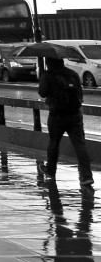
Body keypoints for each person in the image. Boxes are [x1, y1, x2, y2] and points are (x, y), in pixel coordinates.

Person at [38, 56, 93, 190]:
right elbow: (79, 94)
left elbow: (42, 93)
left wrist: (42, 77)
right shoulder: (72, 74)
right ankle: (86, 176)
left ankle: (50, 170)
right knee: (80, 144)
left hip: (57, 115)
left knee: (54, 142)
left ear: (49, 63)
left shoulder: (48, 75)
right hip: (74, 115)